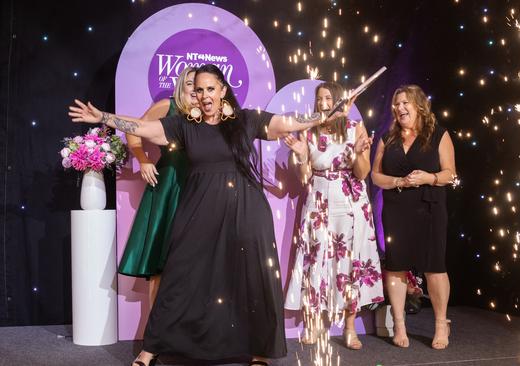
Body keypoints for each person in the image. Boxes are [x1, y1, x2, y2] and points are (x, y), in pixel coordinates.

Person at [68, 64, 351, 366]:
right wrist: (104, 118)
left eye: (210, 89)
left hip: (246, 208)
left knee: (253, 276)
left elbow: (288, 123)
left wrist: (324, 115)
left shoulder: (246, 120)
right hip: (199, 205)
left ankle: (258, 353)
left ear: (223, 90)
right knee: (178, 273)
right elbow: (144, 128)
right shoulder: (184, 126)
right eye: (198, 90)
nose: (204, 95)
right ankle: (150, 350)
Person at [284, 81, 383, 350]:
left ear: (341, 101)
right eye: (319, 99)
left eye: (328, 98)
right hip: (318, 198)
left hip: (350, 201)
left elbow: (362, 173)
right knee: (315, 260)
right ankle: (313, 324)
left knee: (350, 261)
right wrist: (302, 156)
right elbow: (304, 178)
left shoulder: (355, 128)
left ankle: (350, 328)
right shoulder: (309, 130)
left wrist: (361, 152)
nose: (323, 103)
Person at [370, 84, 456, 350]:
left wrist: (429, 177)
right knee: (395, 266)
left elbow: (450, 174)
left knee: (435, 267)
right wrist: (399, 181)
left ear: (419, 105)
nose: (400, 108)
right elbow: (375, 176)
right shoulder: (387, 139)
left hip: (430, 207)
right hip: (397, 209)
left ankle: (441, 325)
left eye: (405, 103)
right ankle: (399, 324)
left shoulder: (439, 134)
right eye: (396, 104)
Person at [118, 66, 197, 307]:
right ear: (181, 85)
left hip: (196, 185)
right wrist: (143, 160)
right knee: (160, 259)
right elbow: (133, 131)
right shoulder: (167, 106)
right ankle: (154, 332)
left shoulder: (207, 113)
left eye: (200, 84)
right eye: (191, 83)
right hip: (170, 185)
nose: (195, 89)